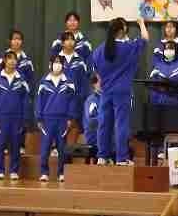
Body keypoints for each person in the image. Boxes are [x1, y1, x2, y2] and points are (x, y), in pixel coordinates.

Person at [92, 17, 149, 166]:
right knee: (121, 124)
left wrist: (103, 81)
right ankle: (121, 158)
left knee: (104, 123)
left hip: (106, 91)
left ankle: (102, 156)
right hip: (122, 91)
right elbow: (145, 39)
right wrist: (141, 23)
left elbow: (96, 71)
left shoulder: (99, 50)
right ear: (122, 30)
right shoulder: (128, 47)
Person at [0, 52, 30, 181]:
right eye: (9, 59)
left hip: (17, 118)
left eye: (14, 59)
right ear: (4, 61)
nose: (12, 61)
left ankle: (14, 171)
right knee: (0, 146)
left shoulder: (21, 79)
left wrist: (25, 118)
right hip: (1, 118)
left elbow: (26, 100)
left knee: (15, 146)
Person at [35, 55, 77, 182]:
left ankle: (61, 173)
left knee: (62, 148)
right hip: (47, 119)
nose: (57, 65)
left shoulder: (69, 82)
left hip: (63, 119)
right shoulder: (44, 82)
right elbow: (39, 101)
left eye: (60, 63)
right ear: (50, 64)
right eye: (55, 62)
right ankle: (44, 173)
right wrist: (39, 118)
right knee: (45, 148)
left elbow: (72, 101)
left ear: (63, 65)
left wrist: (70, 117)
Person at [0, 29, 35, 155]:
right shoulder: (2, 59)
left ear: (22, 41)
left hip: (20, 96)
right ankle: (5, 146)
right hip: (5, 97)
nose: (17, 41)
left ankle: (21, 146)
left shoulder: (26, 61)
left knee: (21, 122)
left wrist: (29, 96)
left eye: (19, 39)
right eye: (14, 39)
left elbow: (31, 80)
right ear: (10, 41)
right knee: (5, 123)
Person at [59, 31, 89, 128]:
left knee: (75, 128)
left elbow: (84, 82)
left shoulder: (80, 61)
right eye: (67, 39)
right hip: (60, 99)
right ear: (62, 43)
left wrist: (81, 97)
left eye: (72, 39)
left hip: (76, 99)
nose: (70, 42)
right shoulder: (56, 60)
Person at [148, 41, 178, 105]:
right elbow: (152, 87)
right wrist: (155, 101)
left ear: (176, 50)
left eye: (171, 48)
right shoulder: (157, 67)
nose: (168, 50)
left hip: (177, 105)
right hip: (158, 105)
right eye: (166, 48)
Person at [83, 74, 101, 159]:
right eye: (100, 81)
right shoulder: (91, 100)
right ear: (94, 84)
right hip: (95, 138)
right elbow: (92, 122)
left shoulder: (108, 98)